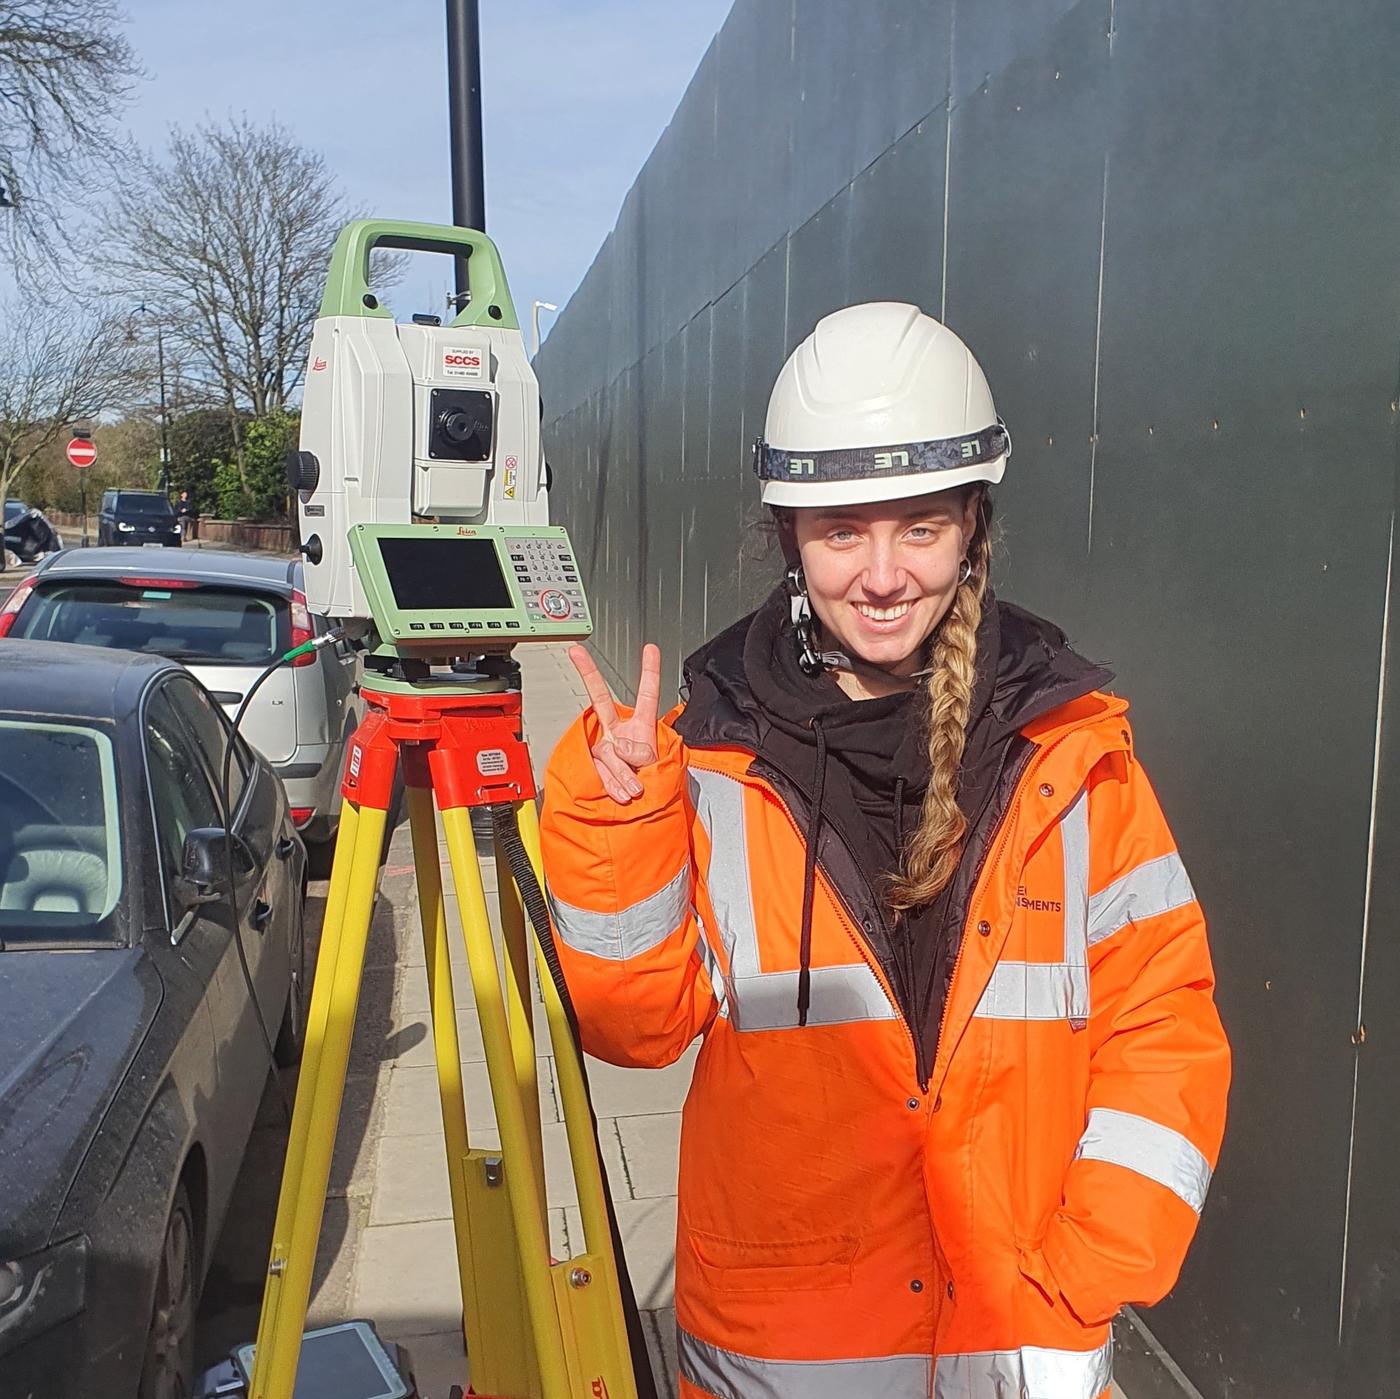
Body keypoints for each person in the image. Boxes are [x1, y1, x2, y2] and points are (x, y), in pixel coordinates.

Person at [540, 303, 1230, 1399]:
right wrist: (621, 821)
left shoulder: (1071, 756)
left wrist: (1093, 1260)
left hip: (1019, 1337)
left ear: (971, 527)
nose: (880, 574)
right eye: (841, 530)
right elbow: (635, 1028)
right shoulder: (715, 764)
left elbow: (1163, 1024)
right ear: (788, 536)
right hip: (788, 1359)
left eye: (918, 527)